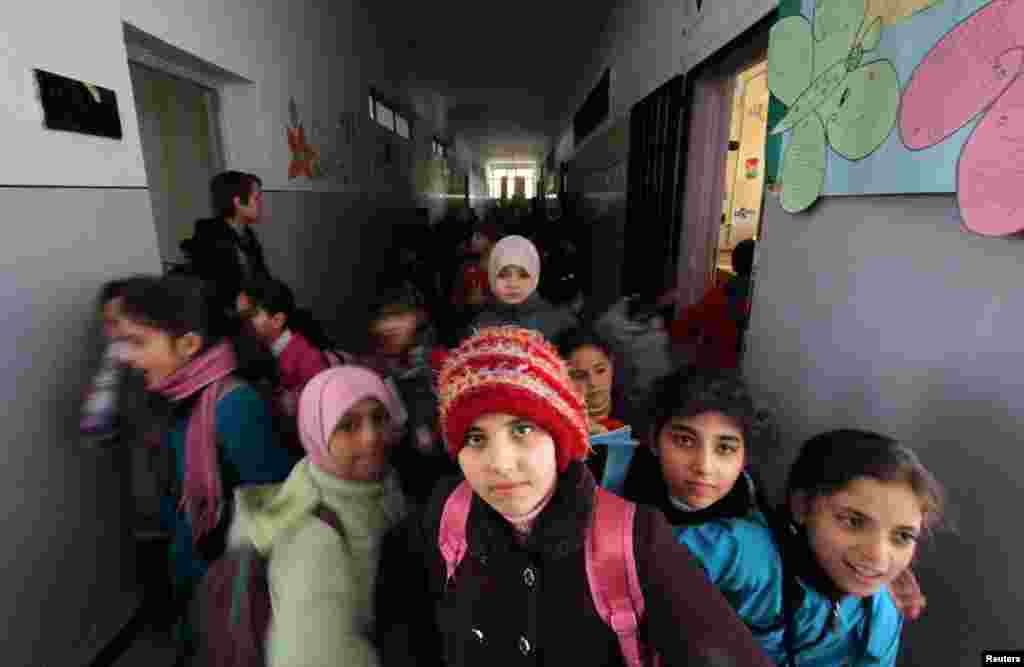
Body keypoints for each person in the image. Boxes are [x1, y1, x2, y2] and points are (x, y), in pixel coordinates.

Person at [374, 326, 777, 667]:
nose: (499, 463)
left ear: (561, 436)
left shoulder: (634, 540)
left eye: (522, 430)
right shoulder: (444, 517)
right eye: (476, 438)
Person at [655, 410, 944, 666]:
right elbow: (632, 557)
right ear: (802, 507)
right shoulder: (745, 554)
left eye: (902, 536)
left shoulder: (882, 612)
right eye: (853, 522)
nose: (878, 557)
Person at [117, 275, 294, 659]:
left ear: (190, 345)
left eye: (139, 342)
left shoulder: (234, 406)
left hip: (237, 595)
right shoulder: (174, 398)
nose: (128, 357)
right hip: (197, 583)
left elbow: (278, 514)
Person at [225, 366, 408, 667]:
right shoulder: (313, 540)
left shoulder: (378, 488)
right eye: (348, 425)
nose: (371, 437)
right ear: (317, 435)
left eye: (378, 418)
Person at [360, 281, 456, 506]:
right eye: (382, 318)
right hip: (406, 488)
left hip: (453, 478)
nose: (389, 326)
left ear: (419, 317)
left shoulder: (443, 363)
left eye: (398, 315)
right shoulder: (375, 371)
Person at [236, 278, 331, 456]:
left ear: (277, 320)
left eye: (251, 315)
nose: (244, 324)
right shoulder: (257, 354)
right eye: (241, 317)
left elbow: (322, 418)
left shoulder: (308, 358)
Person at [182, 171, 271, 314]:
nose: (261, 203)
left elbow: (263, 283)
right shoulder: (210, 241)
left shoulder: (247, 237)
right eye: (257, 198)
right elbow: (216, 296)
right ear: (237, 202)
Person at [557, 327, 634, 491]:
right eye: (579, 375)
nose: (593, 382)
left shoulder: (639, 420)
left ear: (612, 365)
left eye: (600, 370)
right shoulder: (555, 428)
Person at [469, 235, 577, 343]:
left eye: (522, 274)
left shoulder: (562, 323)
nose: (513, 283)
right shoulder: (479, 326)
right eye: (503, 275)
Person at [668, 238, 755, 369]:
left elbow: (685, 324)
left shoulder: (720, 293)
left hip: (713, 367)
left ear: (734, 264)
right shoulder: (763, 302)